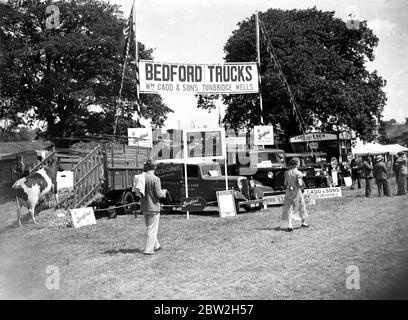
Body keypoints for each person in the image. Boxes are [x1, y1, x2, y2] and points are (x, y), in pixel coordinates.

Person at [136, 160, 167, 255]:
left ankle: (156, 245)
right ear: (154, 168)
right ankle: (148, 250)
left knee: (150, 227)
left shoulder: (140, 177)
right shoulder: (156, 179)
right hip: (153, 207)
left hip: (144, 206)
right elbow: (159, 194)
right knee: (152, 229)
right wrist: (164, 192)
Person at [281, 157, 309, 232]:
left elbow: (285, 183)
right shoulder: (298, 173)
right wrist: (302, 186)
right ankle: (303, 222)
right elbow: (299, 184)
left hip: (289, 191)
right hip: (297, 192)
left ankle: (290, 224)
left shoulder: (286, 172)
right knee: (301, 206)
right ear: (297, 164)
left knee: (289, 207)